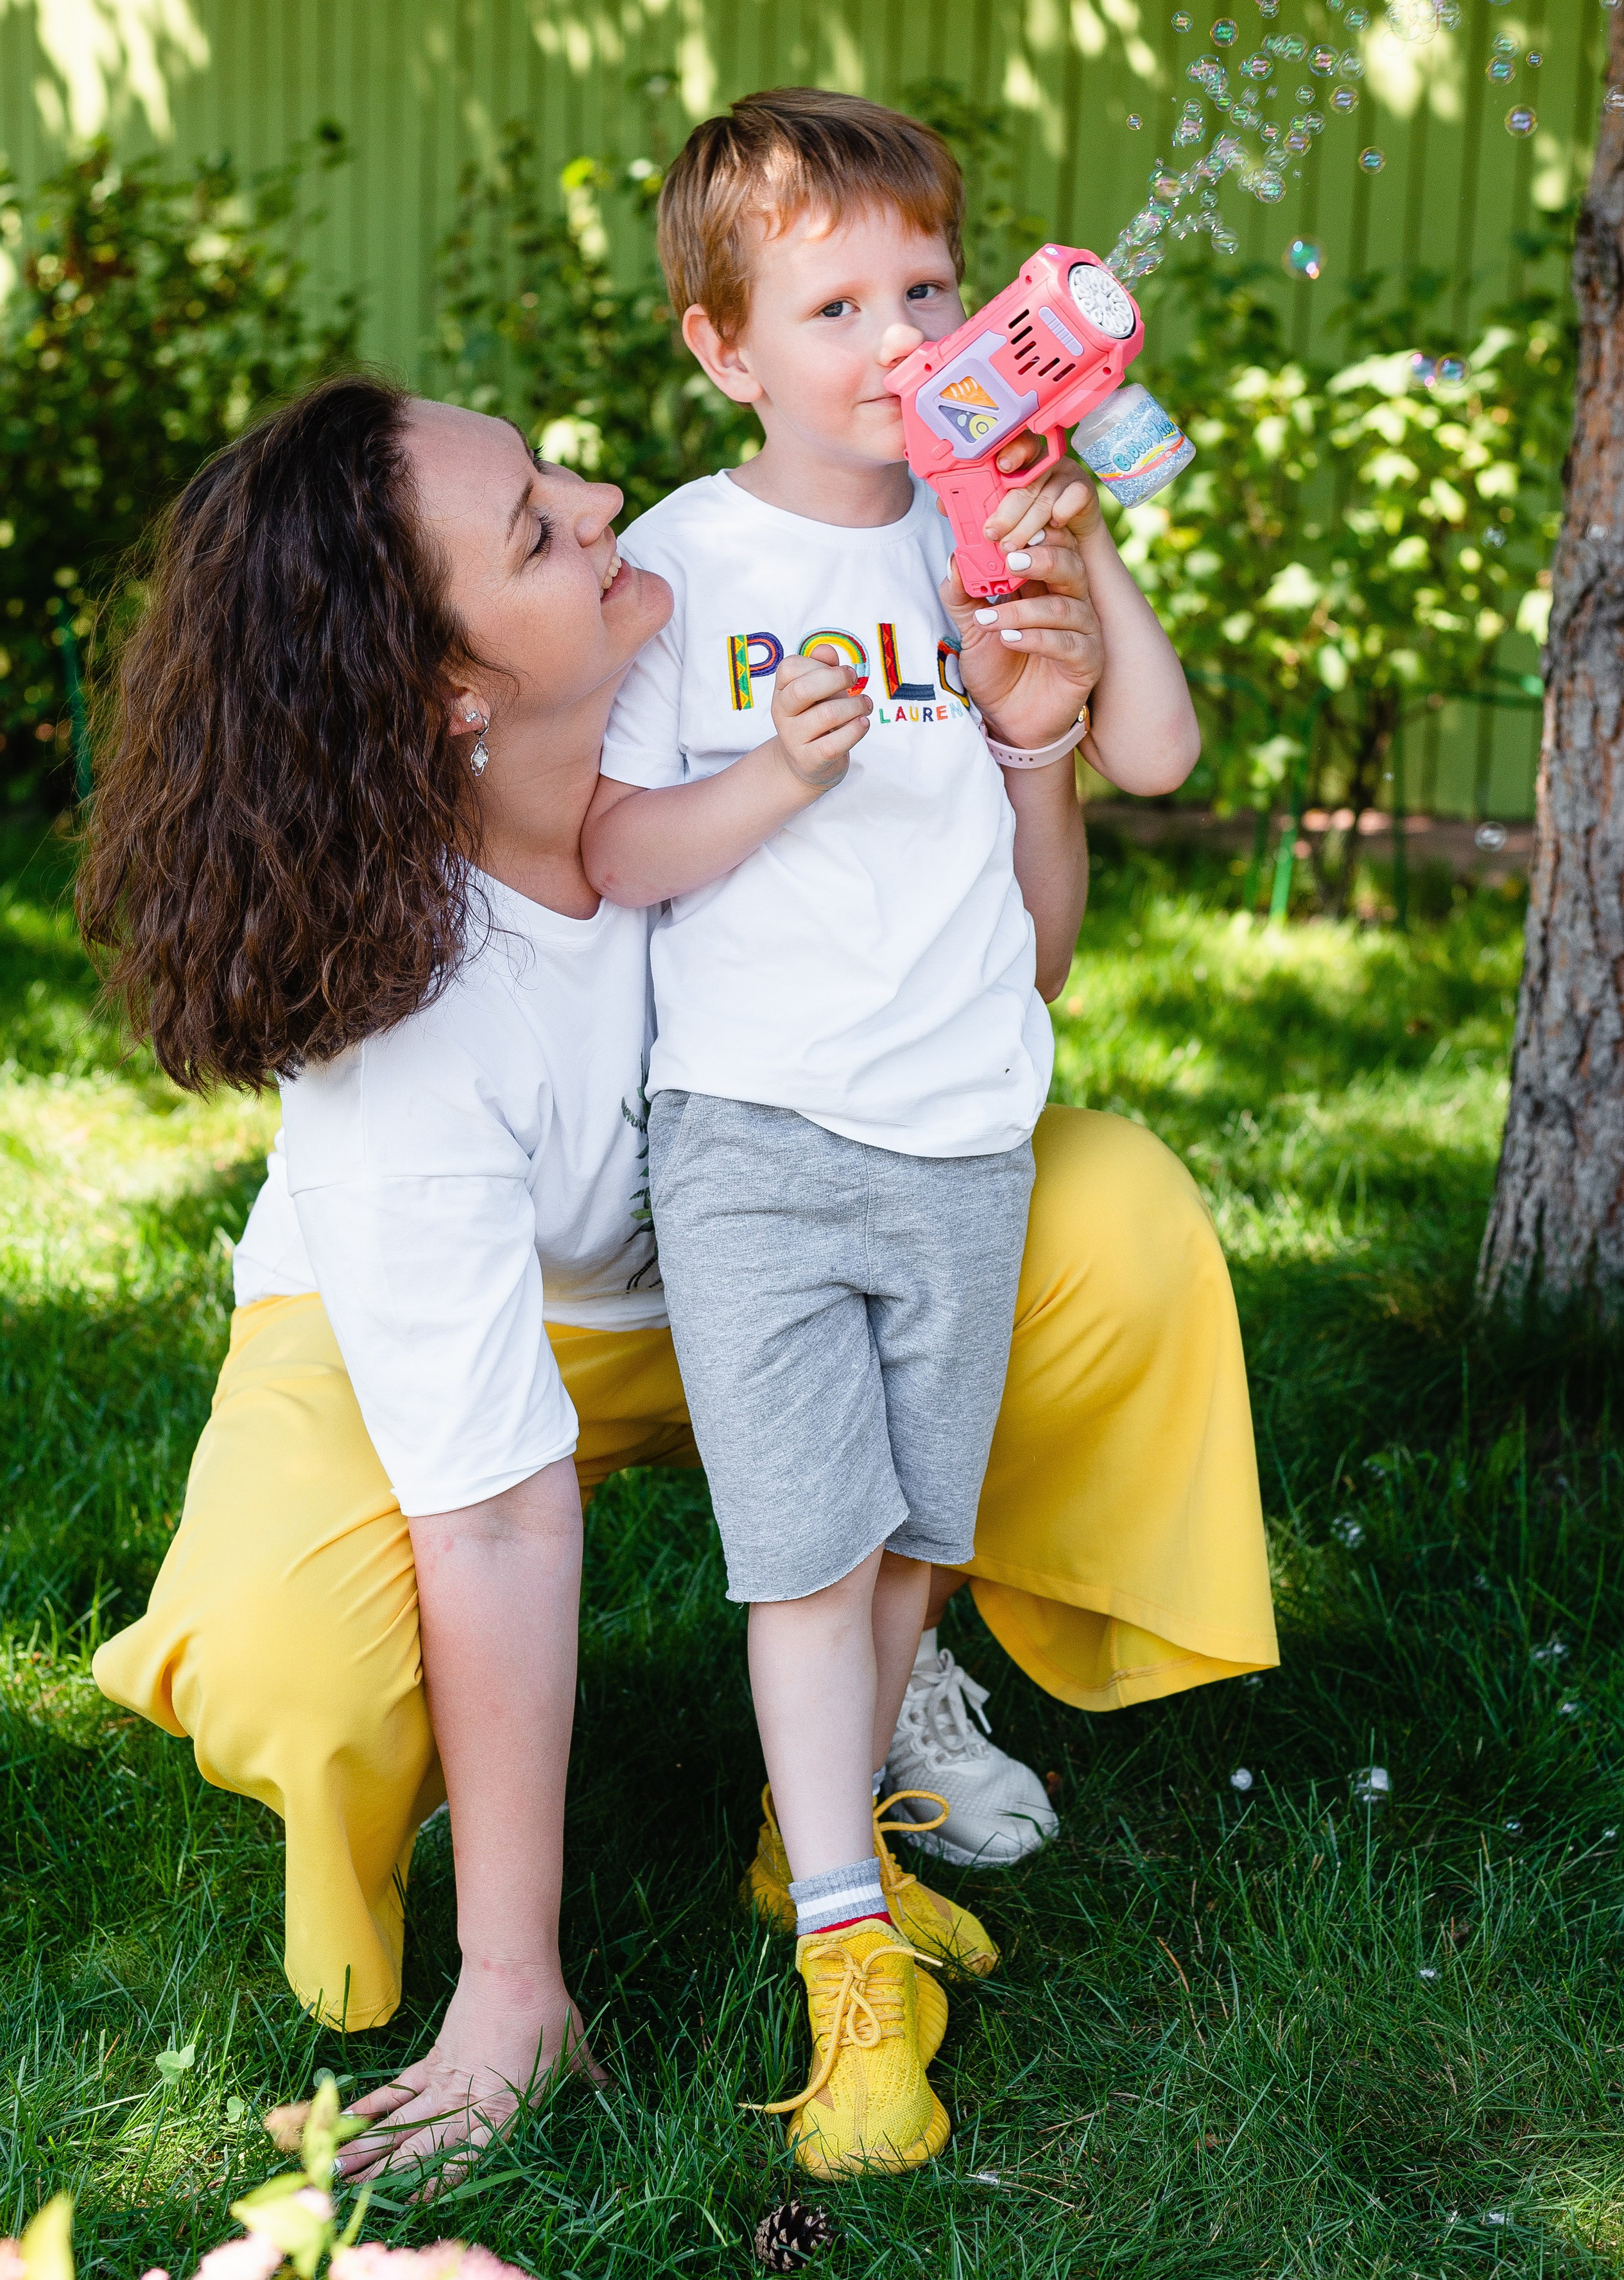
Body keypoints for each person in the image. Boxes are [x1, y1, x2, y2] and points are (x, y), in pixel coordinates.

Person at [79, 373, 1276, 2186]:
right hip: (453, 1334)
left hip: (766, 1260)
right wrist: (515, 1980)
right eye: (541, 528)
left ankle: (890, 1665)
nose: (604, 494)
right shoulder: (410, 1036)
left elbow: (1006, 979)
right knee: (286, 1667)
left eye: (557, 473)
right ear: (454, 690)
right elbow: (493, 1515)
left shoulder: (710, 680)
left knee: (1103, 1216)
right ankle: (452, 1886)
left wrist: (1035, 753)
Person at [580, 88, 1201, 2177]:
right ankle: (851, 1978)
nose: (896, 331)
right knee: (809, 1552)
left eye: (926, 286)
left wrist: (1073, 587)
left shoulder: (984, 523)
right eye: (832, 302)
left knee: (920, 1533)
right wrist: (778, 773)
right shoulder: (689, 557)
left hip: (962, 1130)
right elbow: (609, 843)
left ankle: (804, 1839)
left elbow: (1153, 754)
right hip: (754, 1134)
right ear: (725, 348)